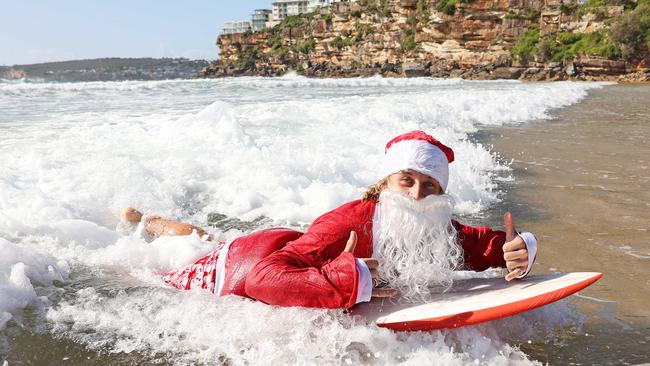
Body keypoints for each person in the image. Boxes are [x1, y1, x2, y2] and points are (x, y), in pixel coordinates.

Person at [123, 130, 537, 309]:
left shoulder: (436, 224)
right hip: (238, 263)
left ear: (441, 194)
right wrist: (345, 280)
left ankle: (159, 222)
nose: (415, 195)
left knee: (211, 236)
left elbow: (479, 244)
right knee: (193, 248)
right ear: (385, 182)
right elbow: (262, 279)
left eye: (429, 186)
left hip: (281, 242)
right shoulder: (349, 222)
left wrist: (513, 250)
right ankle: (150, 223)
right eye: (405, 181)